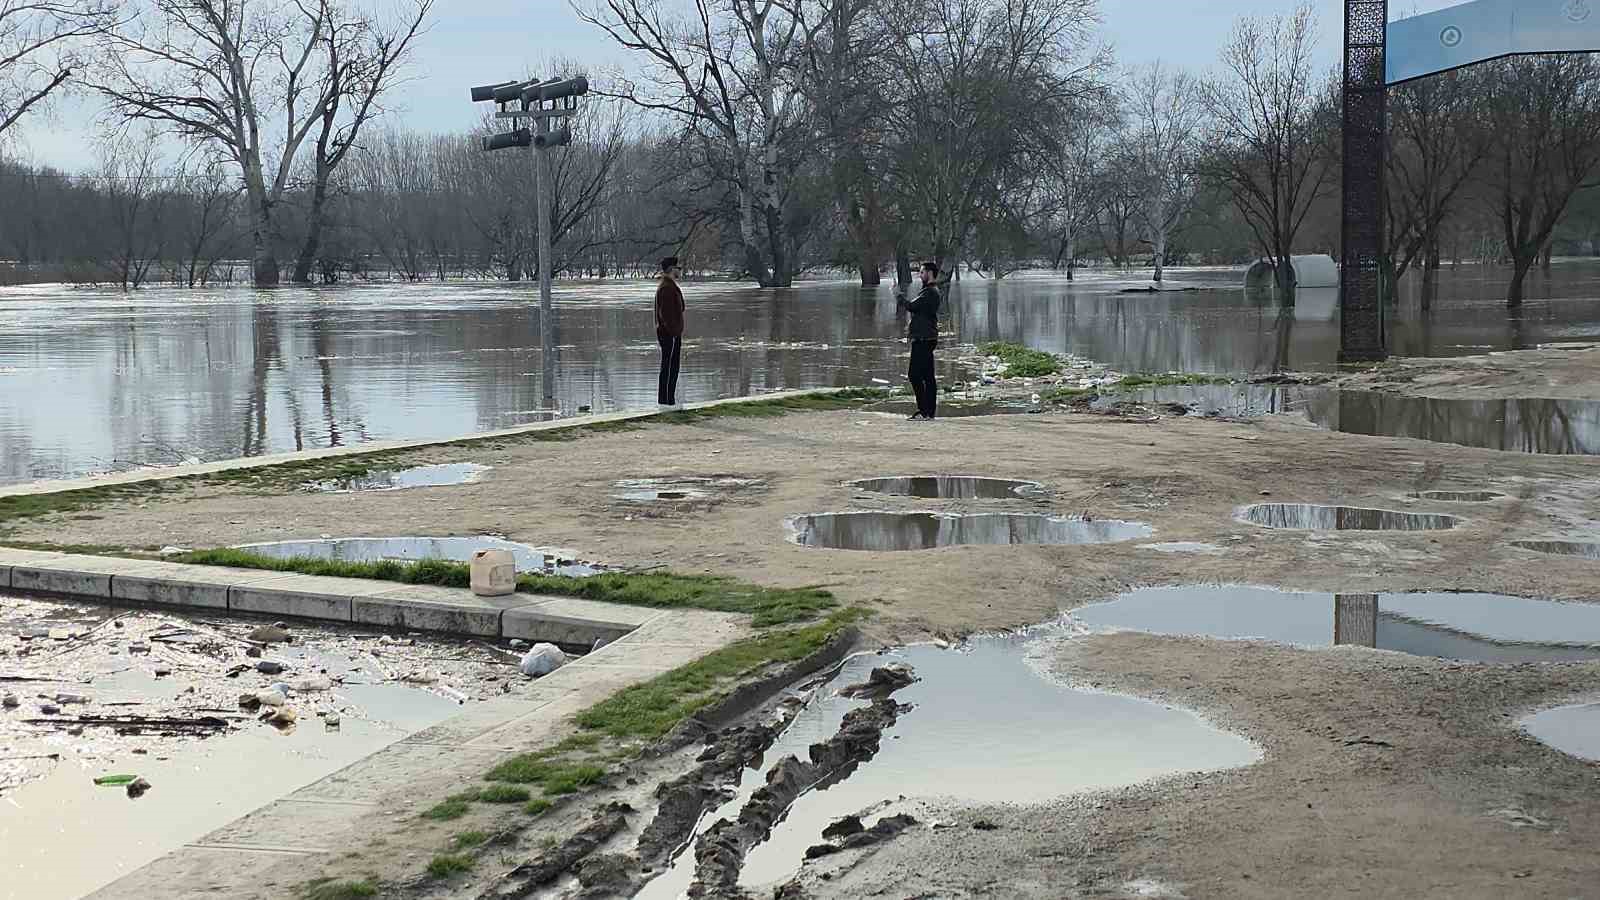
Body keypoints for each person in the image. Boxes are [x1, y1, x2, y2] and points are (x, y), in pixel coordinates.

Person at [900, 260, 942, 420]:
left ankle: (925, 410)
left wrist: (897, 294)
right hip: (927, 338)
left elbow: (911, 306)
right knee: (927, 376)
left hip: (924, 339)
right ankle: (928, 412)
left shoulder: (929, 292)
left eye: (922, 272)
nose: (920, 275)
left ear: (930, 273)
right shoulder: (930, 291)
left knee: (915, 375)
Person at [655, 256, 685, 406]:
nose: (679, 271)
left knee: (672, 367)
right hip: (669, 334)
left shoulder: (669, 285)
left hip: (672, 333)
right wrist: (674, 332)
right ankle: (666, 401)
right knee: (669, 367)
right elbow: (665, 314)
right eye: (678, 268)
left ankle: (668, 400)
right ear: (671, 270)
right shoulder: (666, 287)